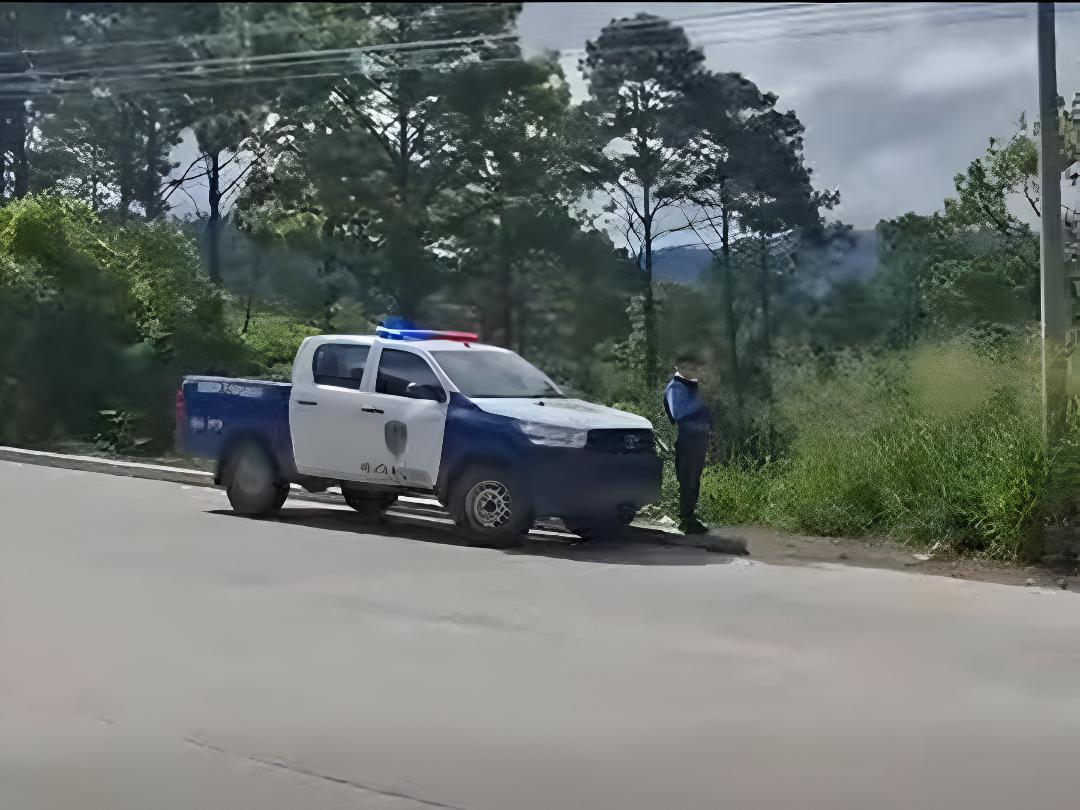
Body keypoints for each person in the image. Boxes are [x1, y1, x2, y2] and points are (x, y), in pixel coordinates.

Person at [663, 358, 712, 535]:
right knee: (688, 479)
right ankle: (686, 520)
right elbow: (679, 414)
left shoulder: (693, 386)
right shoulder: (676, 387)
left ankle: (689, 517)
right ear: (677, 366)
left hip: (698, 438)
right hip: (688, 439)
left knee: (693, 478)